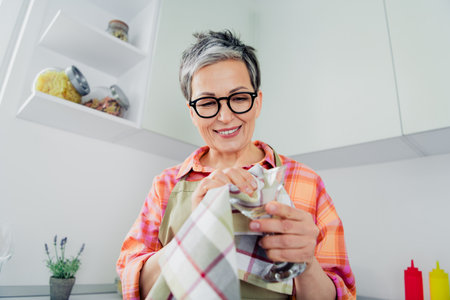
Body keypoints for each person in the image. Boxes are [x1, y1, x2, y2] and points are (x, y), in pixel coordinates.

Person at [117, 30, 356, 300]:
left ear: (257, 103)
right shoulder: (165, 185)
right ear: (192, 113)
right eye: (207, 102)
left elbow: (342, 295)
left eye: (239, 98)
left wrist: (306, 263)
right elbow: (132, 286)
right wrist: (195, 234)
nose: (226, 116)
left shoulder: (307, 183)